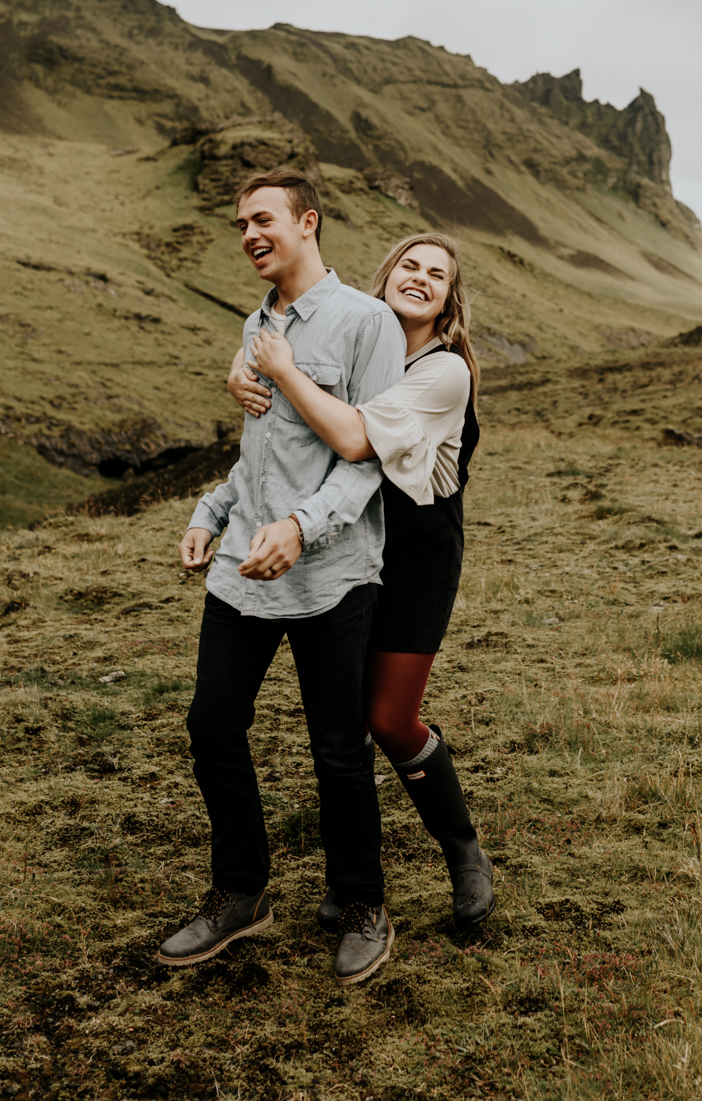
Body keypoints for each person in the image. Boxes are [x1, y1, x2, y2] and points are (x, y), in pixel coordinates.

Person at [158, 167, 405, 987]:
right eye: (240, 225)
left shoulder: (368, 324)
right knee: (210, 727)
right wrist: (209, 514)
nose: (249, 235)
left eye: (262, 220)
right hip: (241, 574)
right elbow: (259, 454)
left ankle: (361, 904)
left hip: (332, 571)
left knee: (338, 749)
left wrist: (303, 527)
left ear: (308, 222)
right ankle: (241, 893)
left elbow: (368, 454)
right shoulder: (254, 321)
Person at [231, 232, 494, 932]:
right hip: (344, 541)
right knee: (339, 723)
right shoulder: (354, 336)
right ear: (386, 276)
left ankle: (462, 848)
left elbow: (350, 438)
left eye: (436, 275)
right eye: (409, 264)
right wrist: (243, 376)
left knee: (386, 718)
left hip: (414, 556)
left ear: (448, 300)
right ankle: (350, 881)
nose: (419, 278)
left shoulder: (443, 373)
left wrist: (283, 373)